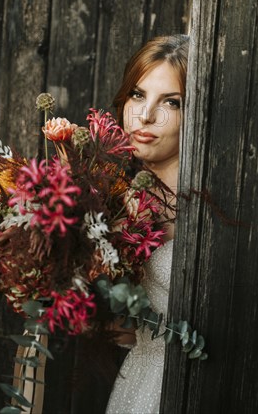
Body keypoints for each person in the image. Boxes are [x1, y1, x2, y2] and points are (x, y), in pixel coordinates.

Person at [106, 34, 189, 414]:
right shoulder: (110, 195)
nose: (145, 116)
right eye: (138, 95)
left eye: (170, 102)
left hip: (192, 382)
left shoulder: (209, 210)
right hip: (138, 380)